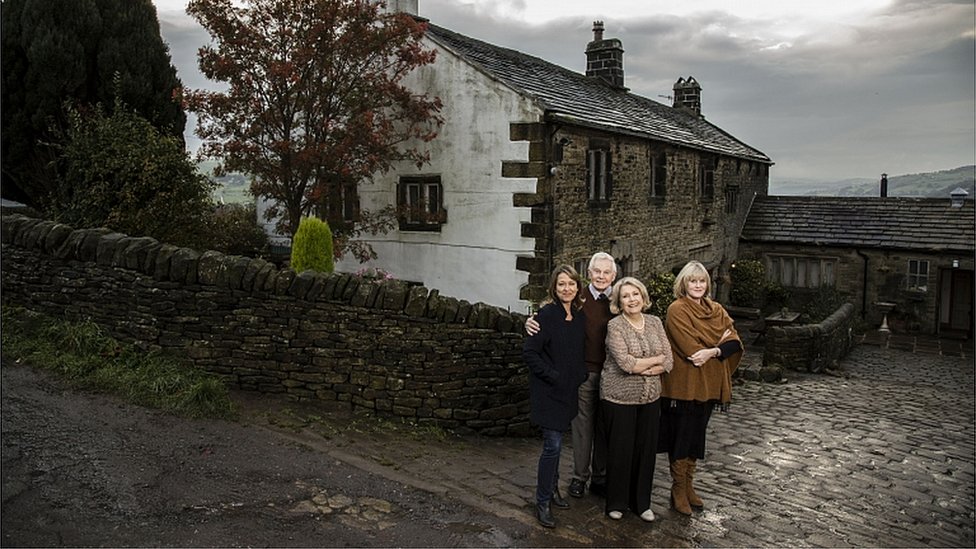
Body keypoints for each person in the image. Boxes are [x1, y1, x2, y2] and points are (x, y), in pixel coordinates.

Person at [526, 252, 617, 498]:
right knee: (582, 430)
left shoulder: (620, 299)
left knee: (605, 429)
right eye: (596, 271)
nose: (601, 276)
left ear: (614, 276)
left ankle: (601, 477)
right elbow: (552, 316)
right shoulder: (578, 300)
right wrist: (530, 321)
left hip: (613, 375)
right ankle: (579, 477)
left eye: (606, 272)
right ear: (588, 274)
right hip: (584, 374)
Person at [659, 260, 743, 516]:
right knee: (682, 435)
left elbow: (735, 341)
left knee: (697, 435)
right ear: (684, 284)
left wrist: (714, 350)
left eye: (702, 281)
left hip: (710, 384)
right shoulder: (677, 310)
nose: (698, 285)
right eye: (693, 281)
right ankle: (677, 489)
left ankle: (689, 485)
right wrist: (714, 345)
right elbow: (690, 349)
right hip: (683, 385)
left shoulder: (716, 309)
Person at [601, 277, 673, 522]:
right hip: (619, 397)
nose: (631, 300)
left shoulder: (655, 322)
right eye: (625, 296)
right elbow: (625, 363)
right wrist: (655, 361)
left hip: (651, 397)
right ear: (619, 302)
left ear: (643, 297)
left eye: (635, 294)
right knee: (621, 451)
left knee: (645, 451)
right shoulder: (615, 326)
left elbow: (669, 359)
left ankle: (642, 503)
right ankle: (617, 502)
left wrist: (648, 367)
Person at [523, 264, 589, 528]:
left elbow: (576, 351)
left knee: (559, 443)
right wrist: (553, 376)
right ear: (554, 287)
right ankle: (542, 500)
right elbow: (529, 353)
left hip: (568, 390)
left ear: (577, 287)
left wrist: (580, 374)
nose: (567, 288)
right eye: (561, 284)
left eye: (571, 284)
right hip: (548, 391)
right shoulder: (545, 315)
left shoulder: (579, 316)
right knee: (552, 446)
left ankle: (552, 490)